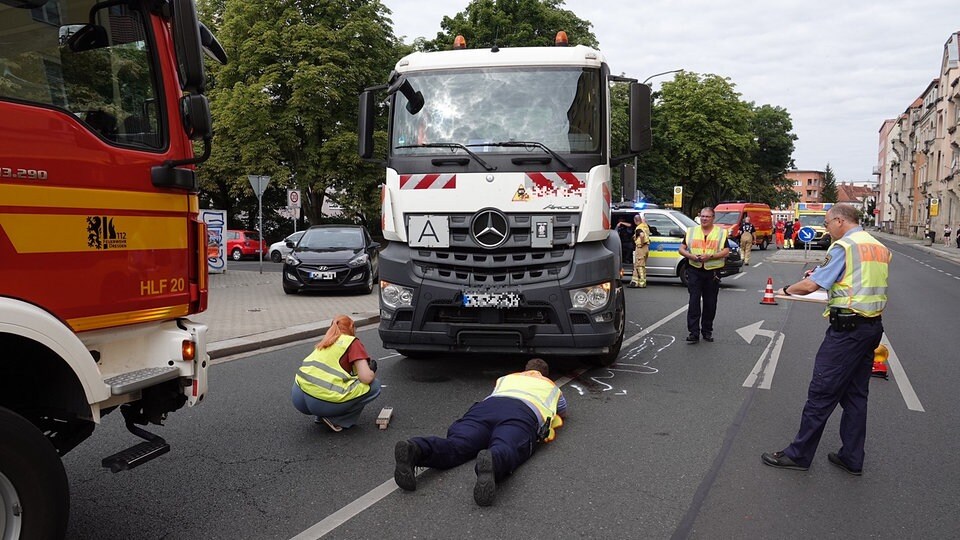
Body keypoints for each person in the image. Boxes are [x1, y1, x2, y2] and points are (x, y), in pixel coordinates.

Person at [762, 204, 890, 476]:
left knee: (821, 393)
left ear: (841, 221)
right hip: (871, 327)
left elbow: (810, 287)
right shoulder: (877, 246)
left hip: (847, 332)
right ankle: (852, 457)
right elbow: (856, 280)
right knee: (856, 396)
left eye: (828, 223)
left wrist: (786, 289)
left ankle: (798, 455)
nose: (827, 228)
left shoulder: (844, 247)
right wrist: (823, 278)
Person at [393, 358, 566, 506]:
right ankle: (493, 460)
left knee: (456, 445)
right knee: (507, 445)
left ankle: (416, 448)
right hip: (520, 414)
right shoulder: (550, 386)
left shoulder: (506, 379)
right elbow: (562, 410)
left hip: (484, 410)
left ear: (525, 370)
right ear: (545, 374)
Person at [291, 314, 380, 431]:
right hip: (319, 402)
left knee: (327, 385)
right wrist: (371, 371)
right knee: (374, 385)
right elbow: (366, 378)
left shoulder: (326, 341)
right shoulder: (351, 342)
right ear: (352, 327)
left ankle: (321, 416)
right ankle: (337, 420)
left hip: (298, 396)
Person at [678, 207, 730, 343]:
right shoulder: (691, 231)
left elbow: (726, 251)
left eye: (707, 217)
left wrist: (710, 256)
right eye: (702, 216)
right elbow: (681, 249)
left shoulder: (720, 233)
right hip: (694, 269)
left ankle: (707, 331)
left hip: (712, 272)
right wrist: (691, 256)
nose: (704, 219)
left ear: (713, 218)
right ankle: (693, 333)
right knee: (694, 301)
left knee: (710, 303)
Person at [629, 214, 651, 287]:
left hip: (641, 248)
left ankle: (642, 283)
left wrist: (641, 243)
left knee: (640, 265)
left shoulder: (639, 228)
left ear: (635, 221)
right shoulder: (645, 226)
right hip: (646, 248)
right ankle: (635, 282)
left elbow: (641, 235)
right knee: (640, 265)